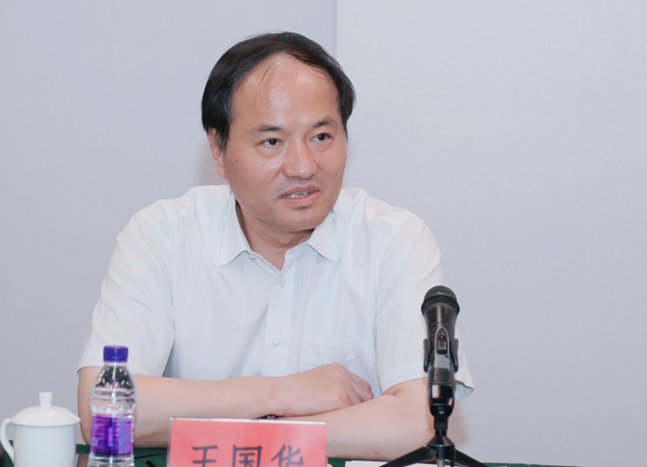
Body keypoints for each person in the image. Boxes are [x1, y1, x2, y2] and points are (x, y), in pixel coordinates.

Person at [77, 31, 473, 461]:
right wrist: (282, 392)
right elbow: (105, 409)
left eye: (321, 136)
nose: (303, 167)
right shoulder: (162, 236)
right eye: (272, 142)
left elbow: (419, 422)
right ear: (219, 149)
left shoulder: (394, 240)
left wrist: (257, 433)